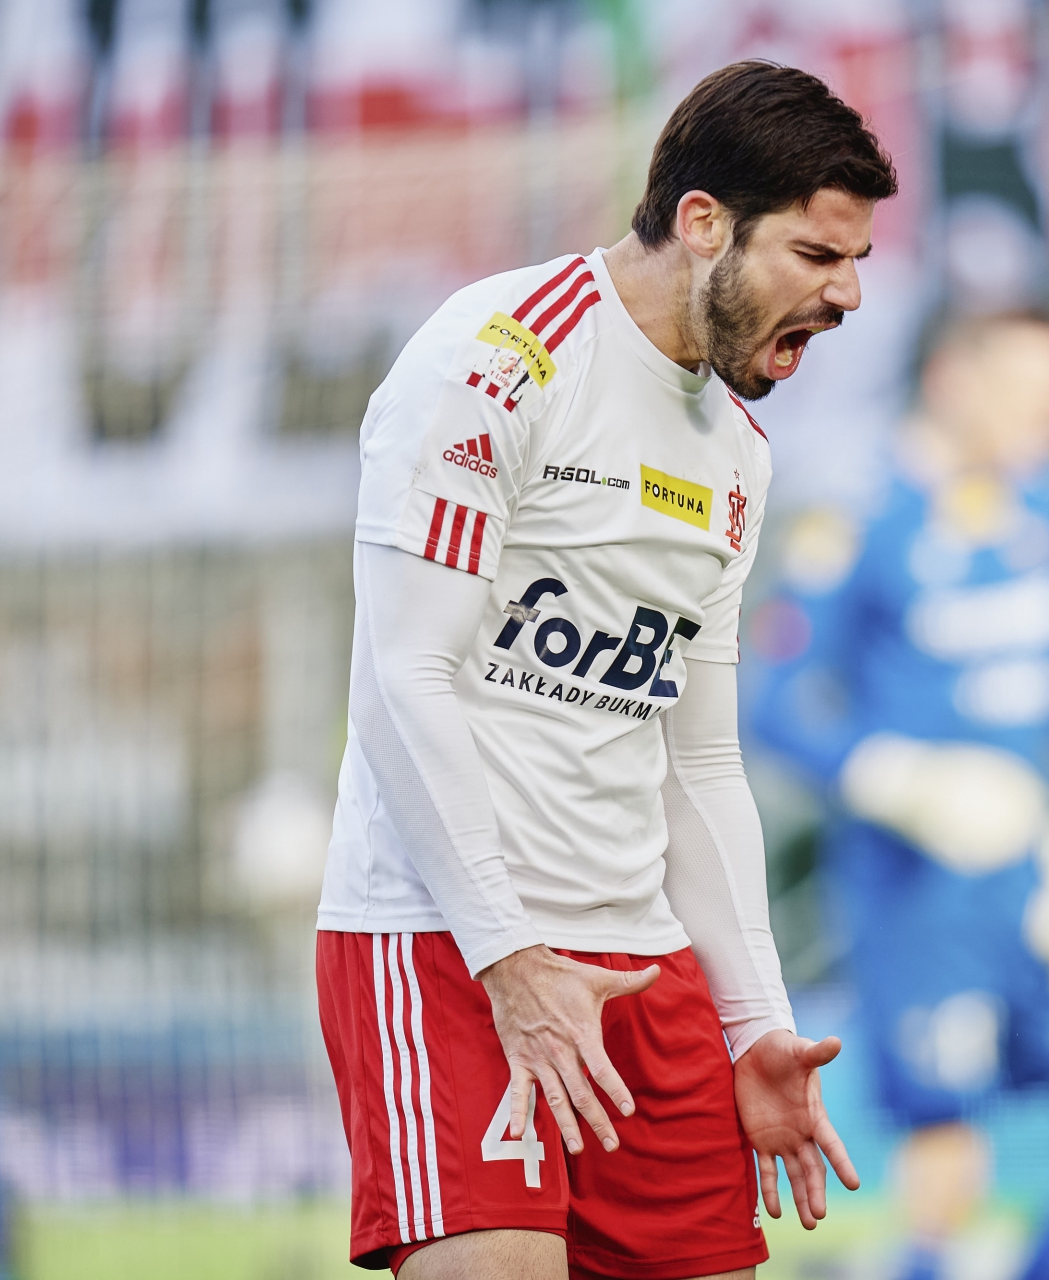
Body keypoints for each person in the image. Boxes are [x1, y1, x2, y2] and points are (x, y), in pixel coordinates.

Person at [314, 62, 898, 1280]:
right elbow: (402, 677)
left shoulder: (736, 454)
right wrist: (508, 956)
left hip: (644, 967)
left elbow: (701, 759)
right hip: (449, 945)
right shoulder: (498, 360)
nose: (846, 294)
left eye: (855, 263)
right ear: (704, 223)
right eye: (815, 254)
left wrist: (755, 1020)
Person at [749, 311, 1049, 1280]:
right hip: (920, 898)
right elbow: (772, 699)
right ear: (954, 377)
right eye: (1036, 398)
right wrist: (897, 776)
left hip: (1041, 883)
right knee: (947, 1160)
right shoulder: (861, 512)